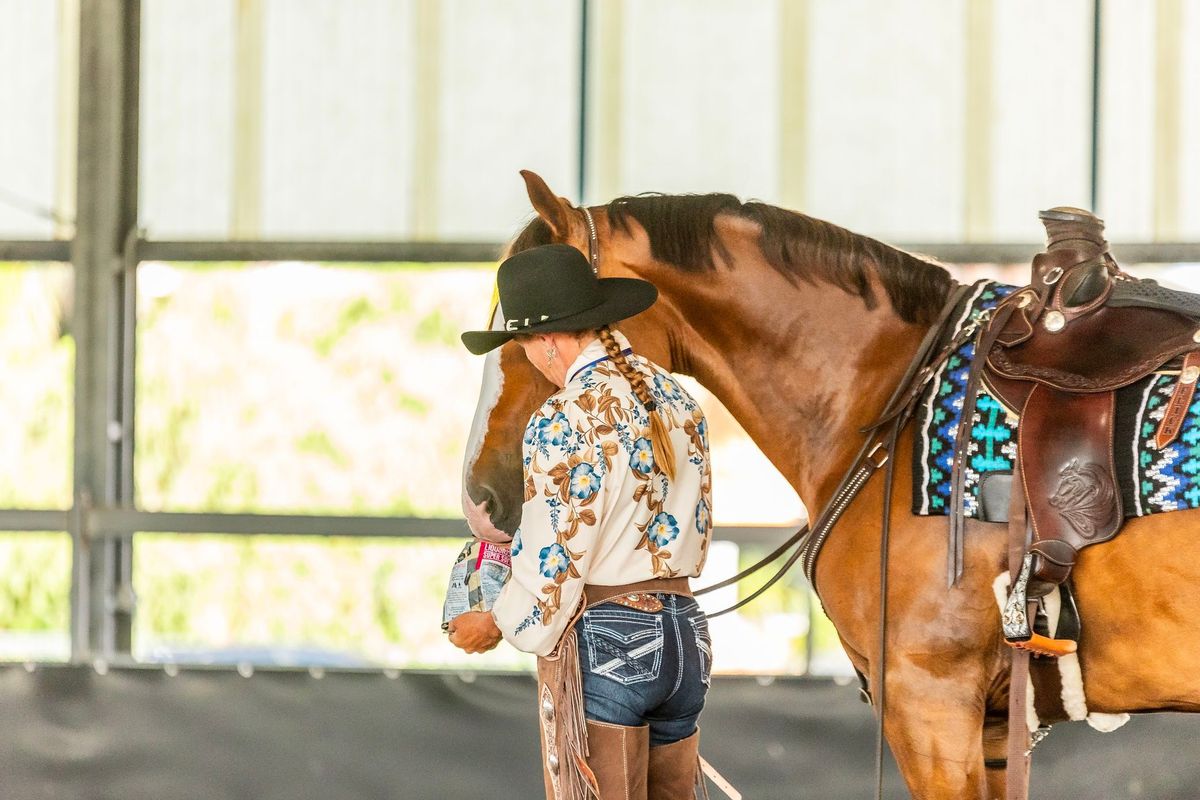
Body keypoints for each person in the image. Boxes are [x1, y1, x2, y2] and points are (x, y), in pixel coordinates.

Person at [450, 243, 715, 799]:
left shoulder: (564, 416)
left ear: (549, 340)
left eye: (525, 345)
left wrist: (496, 618)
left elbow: (556, 556)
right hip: (687, 637)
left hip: (612, 641)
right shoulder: (678, 399)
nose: (531, 357)